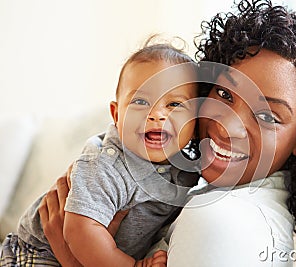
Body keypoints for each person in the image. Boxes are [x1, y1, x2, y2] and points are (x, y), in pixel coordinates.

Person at [38, 0, 296, 266]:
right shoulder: (192, 180)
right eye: (224, 94)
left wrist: (72, 260)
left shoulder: (220, 221)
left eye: (266, 115)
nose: (226, 124)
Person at [0, 39, 200, 267]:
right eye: (141, 101)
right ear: (116, 115)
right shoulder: (106, 164)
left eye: (174, 104)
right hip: (38, 253)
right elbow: (80, 230)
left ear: (195, 123)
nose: (156, 114)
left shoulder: (187, 171)